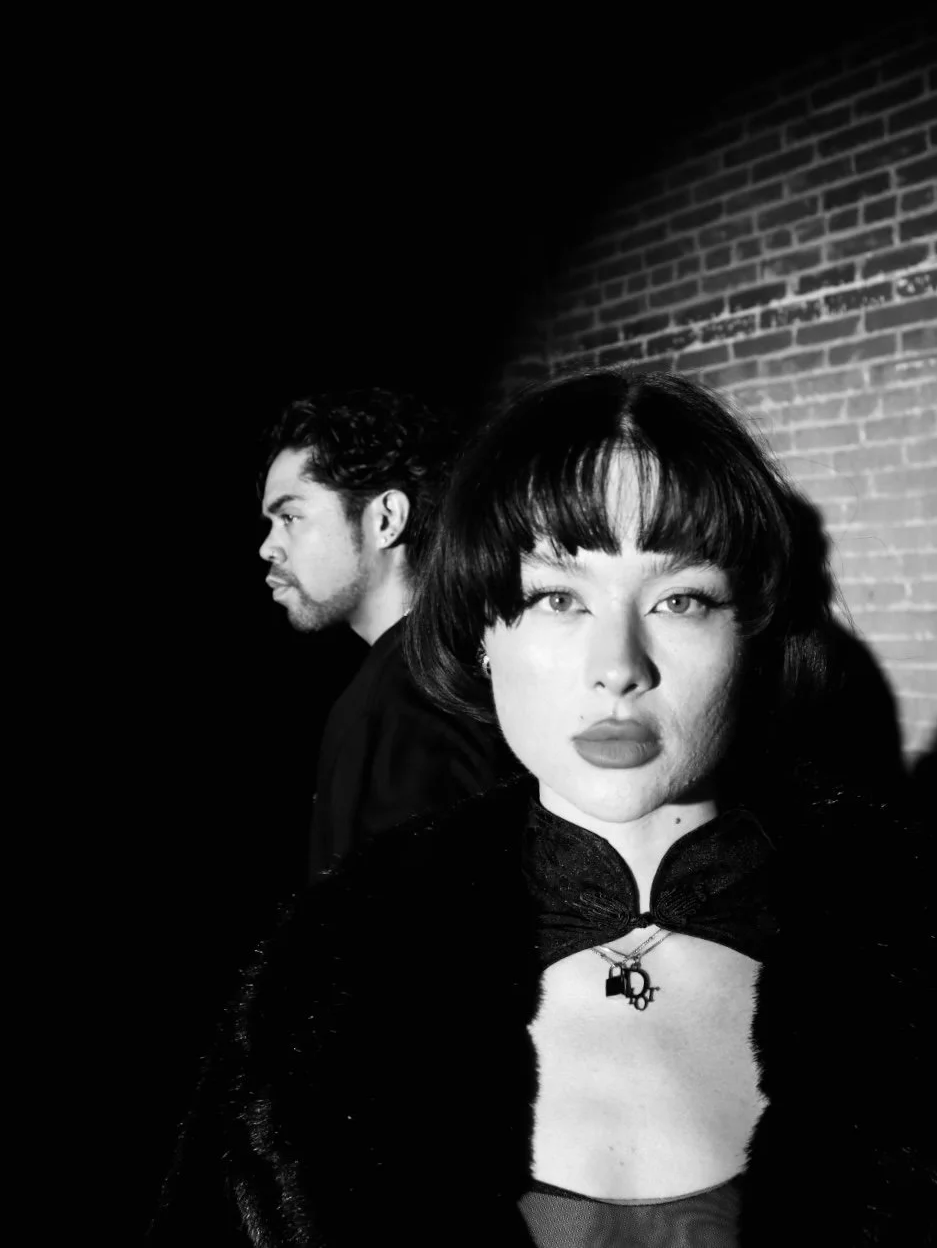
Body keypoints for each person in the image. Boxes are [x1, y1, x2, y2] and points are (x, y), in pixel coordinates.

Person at [151, 369, 929, 1245]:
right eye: (558, 597)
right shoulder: (320, 985)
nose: (617, 666)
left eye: (679, 598)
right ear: (481, 632)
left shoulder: (907, 941)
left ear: (750, 635)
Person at [258, 387, 506, 877]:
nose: (268, 547)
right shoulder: (446, 671)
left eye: (289, 517)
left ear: (386, 520)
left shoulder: (408, 711)